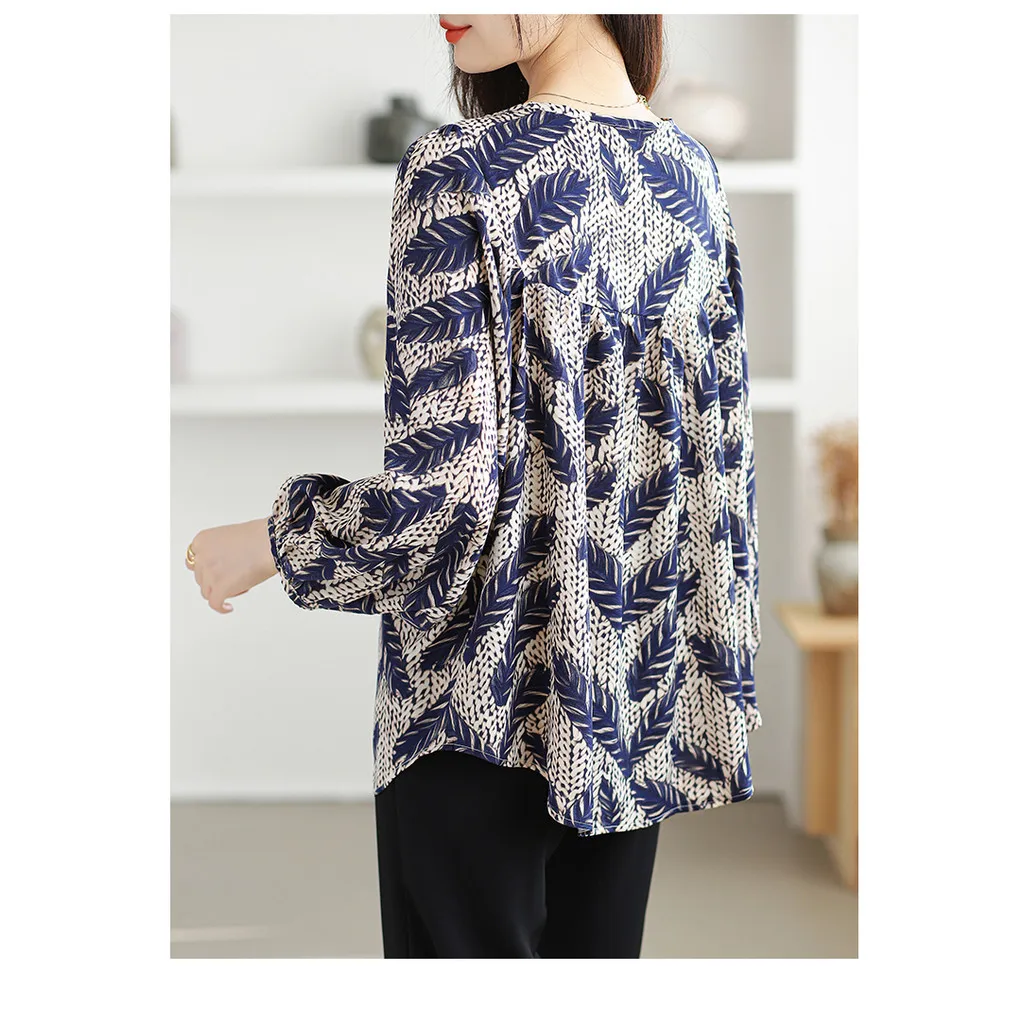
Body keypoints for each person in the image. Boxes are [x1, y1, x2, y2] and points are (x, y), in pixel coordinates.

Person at [183, 13, 762, 958]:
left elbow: (441, 500)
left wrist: (271, 542)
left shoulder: (461, 169)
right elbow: (719, 474)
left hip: (473, 713)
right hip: (628, 708)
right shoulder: (690, 174)